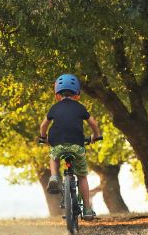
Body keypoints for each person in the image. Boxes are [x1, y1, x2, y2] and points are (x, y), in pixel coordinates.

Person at [39, 74, 102, 220]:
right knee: (82, 177)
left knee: (54, 157)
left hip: (57, 143)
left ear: (57, 95)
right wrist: (95, 136)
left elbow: (44, 125)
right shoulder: (80, 108)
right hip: (77, 145)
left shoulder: (54, 108)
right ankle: (87, 210)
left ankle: (54, 176)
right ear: (78, 95)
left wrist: (43, 138)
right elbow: (93, 123)